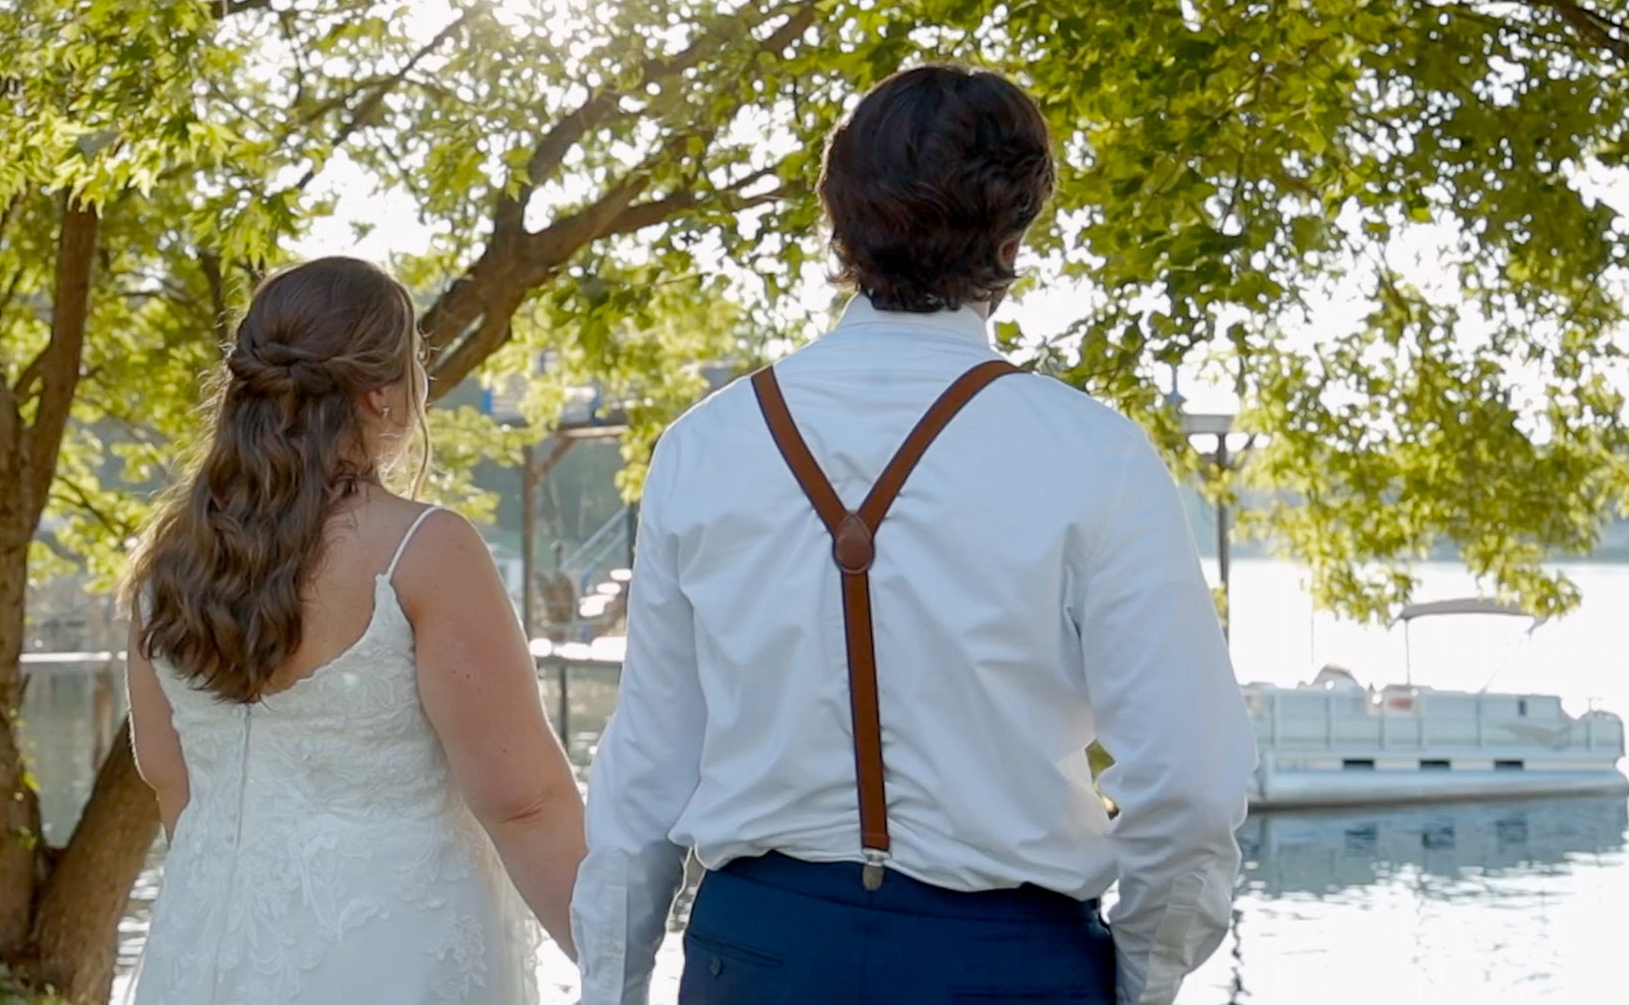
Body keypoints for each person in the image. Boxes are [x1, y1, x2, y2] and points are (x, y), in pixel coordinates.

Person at [573, 63, 1255, 1005]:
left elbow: (645, 772)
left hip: (759, 957)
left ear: (837, 222)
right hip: (1007, 963)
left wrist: (612, 990)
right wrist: (1138, 980)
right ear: (1014, 240)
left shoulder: (704, 445)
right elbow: (1191, 789)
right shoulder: (1092, 453)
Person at [124, 255, 585, 1005]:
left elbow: (168, 776)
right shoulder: (423, 550)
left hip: (203, 948)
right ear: (381, 393)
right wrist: (624, 958)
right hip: (390, 955)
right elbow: (524, 801)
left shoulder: (167, 564)